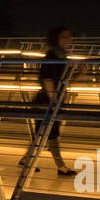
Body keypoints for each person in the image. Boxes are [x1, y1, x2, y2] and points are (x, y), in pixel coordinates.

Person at [23, 25, 77, 175]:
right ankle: (61, 166)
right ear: (56, 39)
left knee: (43, 133)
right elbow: (47, 79)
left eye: (69, 36)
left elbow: (65, 80)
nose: (68, 39)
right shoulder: (52, 56)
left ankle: (26, 159)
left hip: (52, 100)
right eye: (64, 37)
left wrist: (81, 74)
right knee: (50, 133)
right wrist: (54, 100)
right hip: (46, 101)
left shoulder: (61, 56)